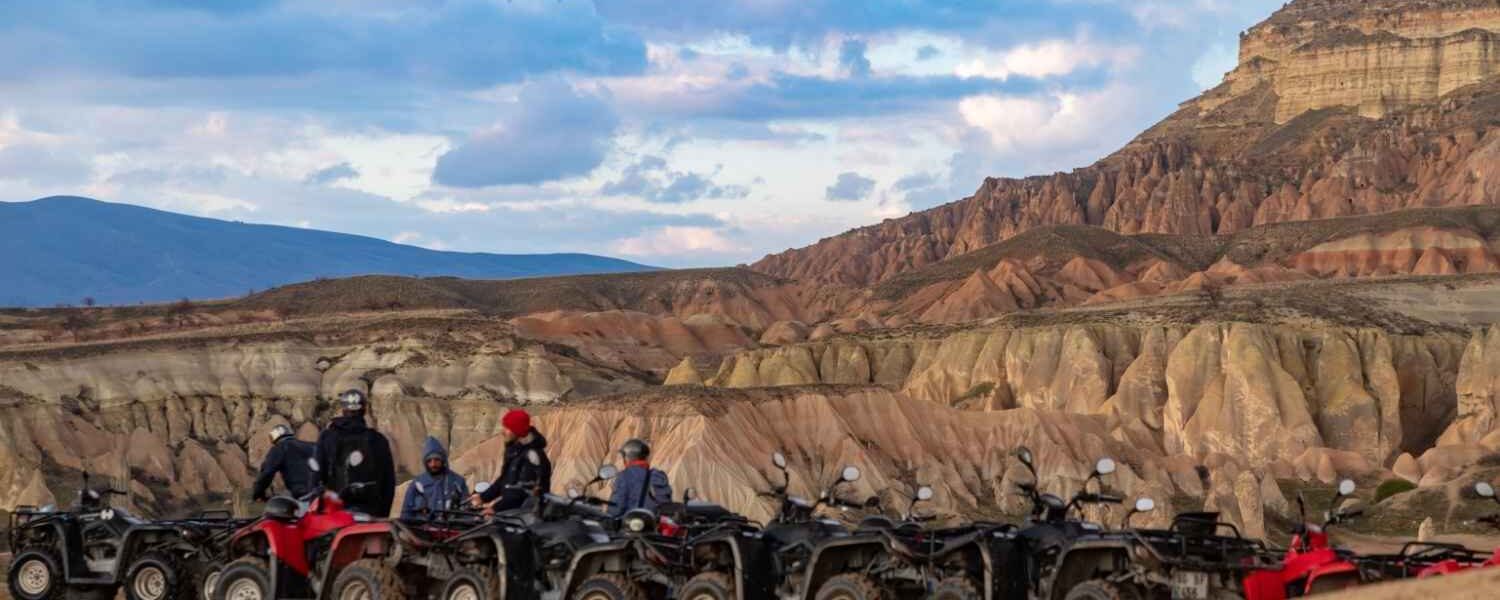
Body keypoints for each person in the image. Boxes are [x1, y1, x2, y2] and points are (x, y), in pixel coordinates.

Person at [316, 389, 396, 516]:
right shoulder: (378, 440)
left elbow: (316, 474)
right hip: (371, 511)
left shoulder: (327, 436)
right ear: (364, 410)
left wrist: (317, 506)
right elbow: (388, 482)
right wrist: (383, 514)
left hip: (334, 510)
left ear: (343, 410)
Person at [471, 409, 551, 513]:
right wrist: (483, 497)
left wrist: (495, 509)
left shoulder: (532, 456)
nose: (503, 431)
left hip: (528, 517)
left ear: (517, 431)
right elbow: (503, 481)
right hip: (514, 514)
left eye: (507, 428)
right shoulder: (515, 452)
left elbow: (522, 492)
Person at [400, 436, 468, 520]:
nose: (433, 464)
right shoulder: (417, 484)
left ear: (443, 460)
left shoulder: (458, 482)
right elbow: (406, 513)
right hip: (422, 530)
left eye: (437, 460)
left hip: (453, 529)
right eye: (429, 461)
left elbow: (467, 512)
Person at [251, 424, 319, 501]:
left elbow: (267, 473)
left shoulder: (280, 448)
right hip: (324, 491)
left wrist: (257, 494)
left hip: (304, 494)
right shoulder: (312, 445)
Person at [608, 438, 671, 517]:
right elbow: (666, 504)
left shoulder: (623, 476)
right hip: (654, 525)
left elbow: (615, 509)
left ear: (627, 457)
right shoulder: (659, 476)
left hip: (632, 525)